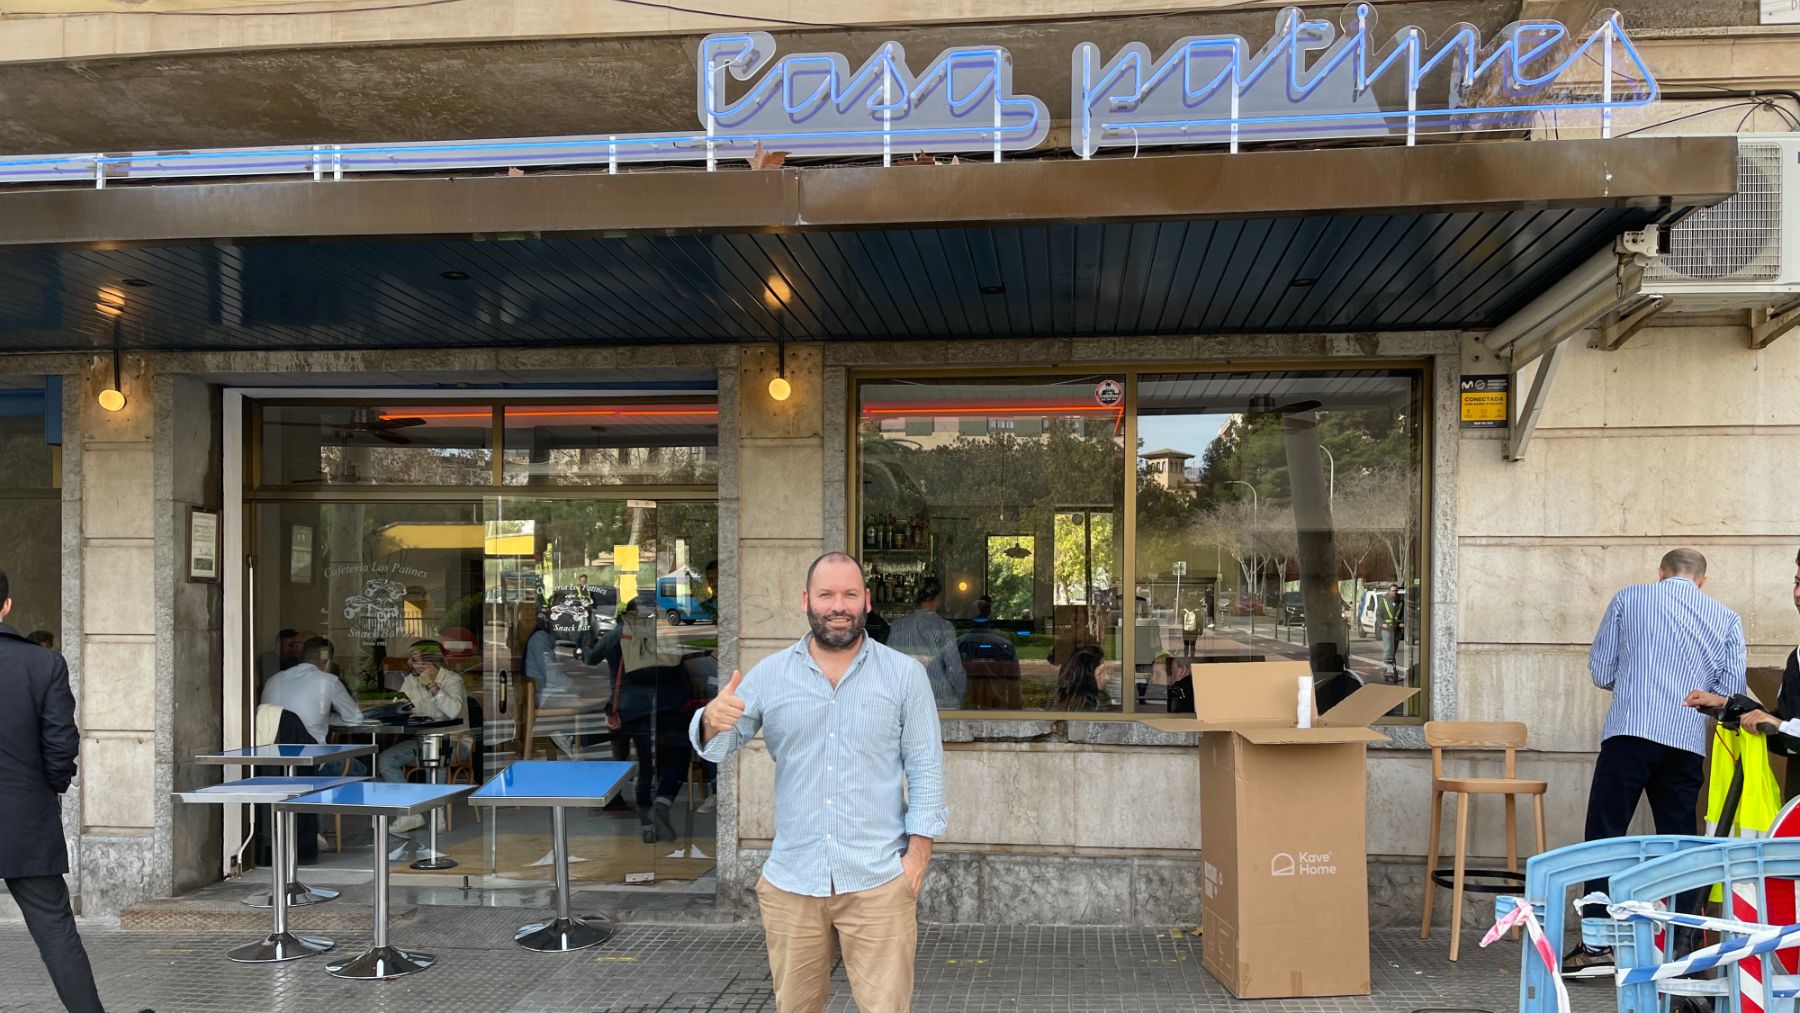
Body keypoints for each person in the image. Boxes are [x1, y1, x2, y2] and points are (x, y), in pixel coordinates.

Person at [691, 552, 946, 1013]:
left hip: (878, 879)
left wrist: (916, 860)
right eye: (826, 594)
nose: (838, 605)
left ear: (867, 601)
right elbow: (718, 745)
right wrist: (710, 719)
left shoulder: (905, 676)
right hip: (793, 882)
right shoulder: (769, 675)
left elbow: (926, 769)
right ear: (807, 600)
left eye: (849, 594)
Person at [1563, 548, 1746, 979]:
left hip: (1630, 729)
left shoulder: (1630, 598)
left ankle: (1596, 944)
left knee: (1605, 834)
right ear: (1701, 581)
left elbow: (1601, 669)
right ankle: (1681, 947)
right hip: (1686, 740)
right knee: (1680, 841)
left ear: (1661, 573)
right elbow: (1730, 692)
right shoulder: (1726, 617)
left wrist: (1636, 682)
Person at [0, 569, 145, 1013]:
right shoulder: (43, 663)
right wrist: (50, 787)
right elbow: (61, 742)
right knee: (55, 930)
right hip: (25, 817)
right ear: (7, 605)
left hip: (25, 811)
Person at [1685, 546, 1800, 798]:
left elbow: (1784, 726)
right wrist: (1728, 704)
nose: (1798, 594)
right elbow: (1785, 731)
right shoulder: (1797, 657)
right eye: (1797, 582)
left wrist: (1780, 725)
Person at [612, 601, 693, 843]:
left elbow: (593, 657)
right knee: (678, 756)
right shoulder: (670, 626)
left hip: (636, 708)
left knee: (647, 766)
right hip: (672, 704)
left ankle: (648, 827)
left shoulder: (622, 631)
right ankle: (662, 802)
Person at [379, 641, 468, 833]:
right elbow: (399, 706)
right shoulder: (411, 680)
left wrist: (432, 686)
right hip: (422, 740)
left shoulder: (452, 680)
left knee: (434, 756)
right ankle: (410, 814)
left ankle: (438, 813)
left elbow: (453, 711)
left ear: (429, 662)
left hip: (455, 741)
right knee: (386, 760)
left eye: (414, 659)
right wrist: (398, 707)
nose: (409, 663)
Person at [260, 637, 364, 774]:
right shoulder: (328, 680)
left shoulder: (273, 680)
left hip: (270, 763)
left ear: (301, 658)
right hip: (311, 762)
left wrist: (325, 718)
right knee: (359, 768)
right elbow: (355, 719)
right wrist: (329, 718)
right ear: (327, 663)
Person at [886, 577, 965, 708]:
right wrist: (958, 699)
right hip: (939, 700)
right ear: (938, 598)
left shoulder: (898, 626)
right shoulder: (944, 627)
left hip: (906, 701)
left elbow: (888, 667)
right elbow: (954, 669)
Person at [1053, 642, 1109, 711]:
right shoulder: (1087, 706)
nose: (1107, 677)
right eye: (1100, 673)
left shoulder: (1068, 698)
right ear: (1087, 677)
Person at [1378, 585, 1403, 679]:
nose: (1395, 593)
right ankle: (1389, 667)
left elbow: (1403, 613)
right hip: (1386, 628)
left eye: (1396, 591)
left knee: (1394, 648)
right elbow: (1378, 613)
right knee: (1388, 647)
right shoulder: (1383, 601)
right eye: (1393, 591)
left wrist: (1402, 623)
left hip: (1396, 628)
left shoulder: (1400, 602)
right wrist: (1382, 623)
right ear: (1389, 591)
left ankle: (1391, 667)